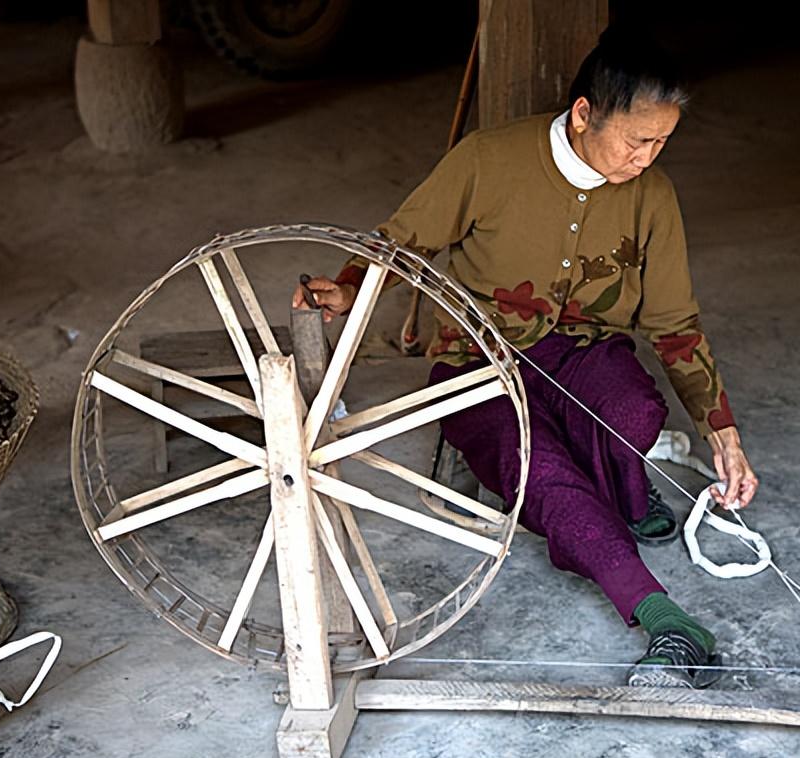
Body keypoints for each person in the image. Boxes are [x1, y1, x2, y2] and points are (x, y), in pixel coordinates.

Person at [294, 25, 758, 687]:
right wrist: (347, 288)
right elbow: (404, 244)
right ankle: (658, 611)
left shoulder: (653, 197)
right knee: (540, 468)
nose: (648, 159)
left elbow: (674, 322)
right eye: (637, 141)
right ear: (583, 116)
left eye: (662, 142)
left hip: (579, 351)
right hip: (475, 361)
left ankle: (622, 495)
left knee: (633, 411)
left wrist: (722, 429)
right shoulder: (488, 160)